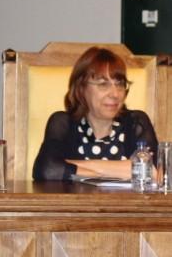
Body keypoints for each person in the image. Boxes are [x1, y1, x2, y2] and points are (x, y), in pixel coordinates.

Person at [32, 46, 158, 180]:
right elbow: (47, 170)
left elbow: (153, 172)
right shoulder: (63, 123)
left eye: (120, 84)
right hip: (75, 201)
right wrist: (122, 169)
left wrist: (74, 167)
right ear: (81, 88)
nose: (115, 94)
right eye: (103, 84)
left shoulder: (136, 122)